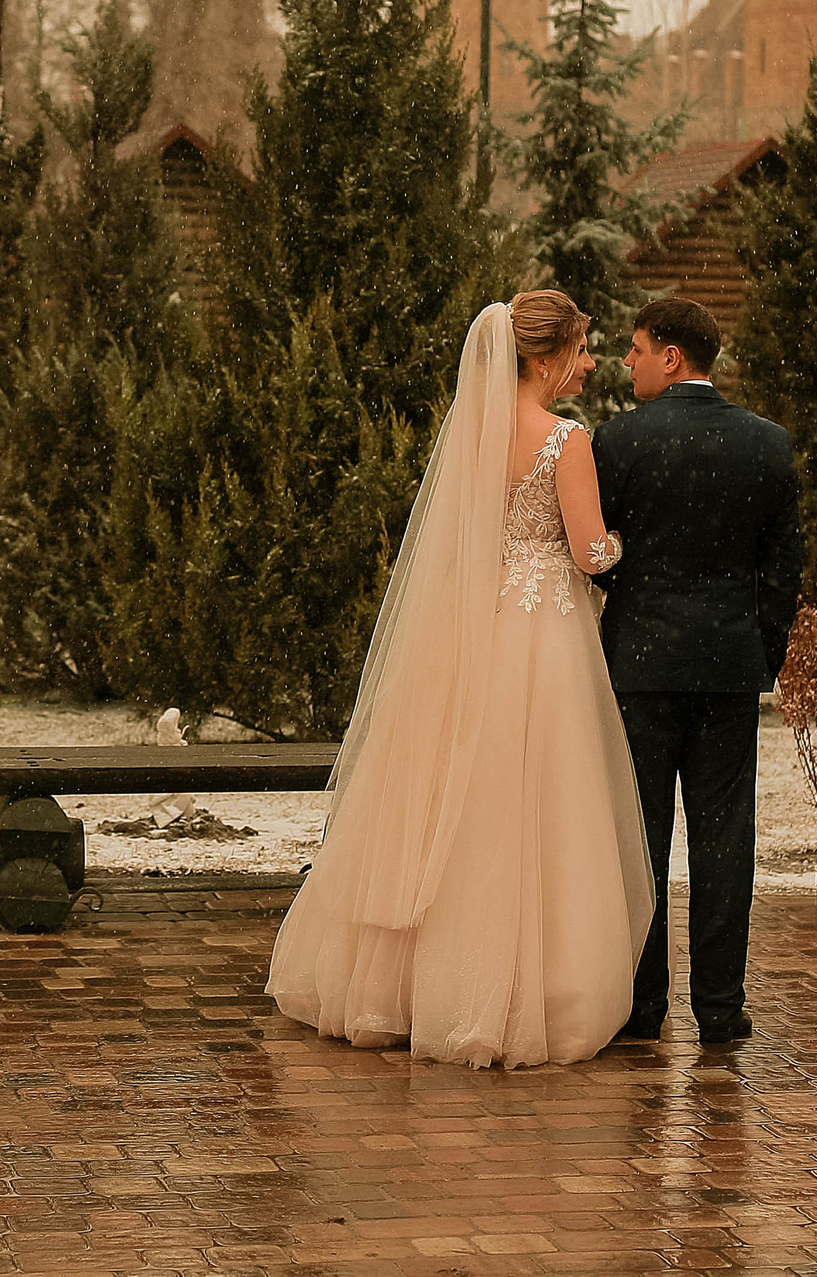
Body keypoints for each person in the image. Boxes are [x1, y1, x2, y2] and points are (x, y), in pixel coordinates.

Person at [265, 293, 654, 1068]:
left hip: (470, 631)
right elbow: (588, 555)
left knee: (455, 794)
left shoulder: (470, 437)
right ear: (545, 359)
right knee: (531, 802)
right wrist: (624, 541)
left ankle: (407, 985)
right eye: (581, 350)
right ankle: (519, 991)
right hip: (543, 638)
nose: (588, 364)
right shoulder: (565, 442)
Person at [591, 297, 803, 1048]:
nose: (629, 361)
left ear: (672, 356)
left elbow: (599, 555)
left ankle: (642, 1007)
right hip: (725, 668)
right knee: (722, 839)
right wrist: (759, 653)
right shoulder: (767, 445)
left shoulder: (619, 442)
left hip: (641, 667)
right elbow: (783, 573)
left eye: (638, 349)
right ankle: (719, 1006)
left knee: (637, 838)